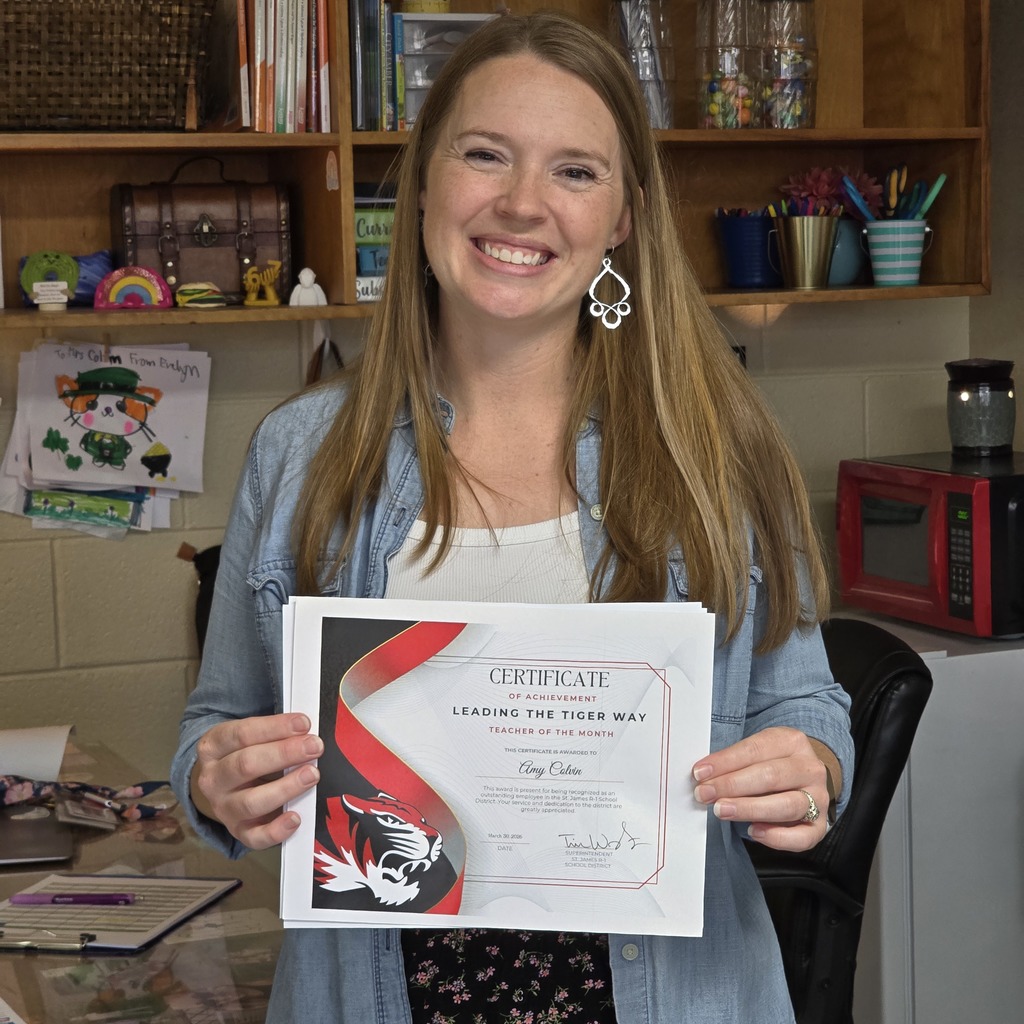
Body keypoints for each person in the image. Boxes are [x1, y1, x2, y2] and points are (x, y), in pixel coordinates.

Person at [171, 11, 853, 1024]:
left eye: (575, 172)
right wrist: (219, 780)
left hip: (666, 993)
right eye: (485, 155)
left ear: (622, 215)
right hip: (376, 994)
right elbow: (209, 730)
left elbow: (804, 706)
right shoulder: (300, 450)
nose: (523, 204)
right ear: (424, 184)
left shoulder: (716, 441)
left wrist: (805, 774)